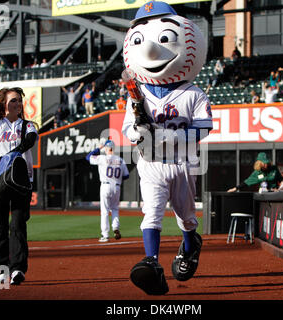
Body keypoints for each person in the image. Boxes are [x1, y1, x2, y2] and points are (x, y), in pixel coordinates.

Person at [121, 1, 212, 295]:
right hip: (150, 163)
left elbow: (204, 127)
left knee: (186, 217)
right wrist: (138, 130)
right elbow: (127, 130)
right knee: (152, 213)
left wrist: (171, 136)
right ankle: (151, 262)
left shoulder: (194, 93)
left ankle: (190, 243)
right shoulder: (138, 94)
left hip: (182, 162)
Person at [0, 60, 39, 286]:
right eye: (13, 100)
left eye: (19, 101)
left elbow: (31, 140)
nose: (18, 103)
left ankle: (18, 270)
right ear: (4, 105)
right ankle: (2, 269)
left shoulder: (28, 125)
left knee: (18, 225)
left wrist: (15, 152)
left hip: (21, 182)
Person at [86, 140, 129, 242]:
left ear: (106, 148)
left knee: (105, 211)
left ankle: (105, 235)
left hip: (105, 186)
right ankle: (115, 227)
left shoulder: (102, 158)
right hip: (117, 186)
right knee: (114, 209)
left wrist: (99, 148)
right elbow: (126, 175)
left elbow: (88, 157)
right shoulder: (120, 160)